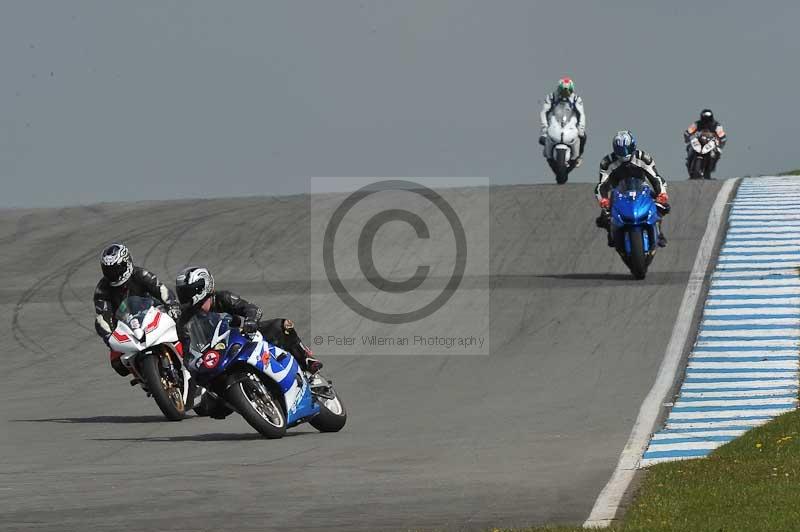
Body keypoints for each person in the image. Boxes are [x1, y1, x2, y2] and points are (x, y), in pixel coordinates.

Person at [174, 266, 322, 374]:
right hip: (216, 360)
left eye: (187, 292)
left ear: (202, 287)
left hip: (241, 340)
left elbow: (252, 309)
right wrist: (195, 364)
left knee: (282, 325)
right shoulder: (184, 322)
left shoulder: (223, 298)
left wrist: (251, 321)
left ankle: (306, 359)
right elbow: (188, 355)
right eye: (182, 293)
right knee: (208, 407)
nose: (184, 297)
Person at [93, 243, 181, 376]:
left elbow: (161, 290)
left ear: (126, 264)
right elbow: (103, 316)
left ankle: (192, 359)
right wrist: (110, 337)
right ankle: (144, 377)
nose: (113, 274)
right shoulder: (102, 290)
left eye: (116, 269)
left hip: (152, 313)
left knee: (181, 327)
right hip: (125, 325)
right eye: (108, 270)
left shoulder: (141, 274)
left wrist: (172, 306)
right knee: (117, 363)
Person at [594, 131, 670, 247]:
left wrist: (662, 194)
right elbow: (601, 185)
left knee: (662, 206)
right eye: (620, 151)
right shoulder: (607, 163)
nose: (624, 154)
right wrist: (603, 199)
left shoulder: (644, 158)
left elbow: (655, 178)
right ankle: (612, 232)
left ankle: (658, 233)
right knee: (604, 217)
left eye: (626, 149)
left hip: (642, 189)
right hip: (618, 192)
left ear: (633, 146)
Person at [539, 77, 587, 166]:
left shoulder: (576, 99)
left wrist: (581, 128)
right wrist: (544, 127)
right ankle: (548, 153)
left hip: (570, 124)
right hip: (554, 123)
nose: (565, 93)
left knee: (583, 137)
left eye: (568, 91)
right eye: (563, 90)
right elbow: (544, 112)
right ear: (559, 89)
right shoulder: (551, 97)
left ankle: (578, 156)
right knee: (543, 138)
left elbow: (581, 114)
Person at [684, 109, 727, 173]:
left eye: (707, 117)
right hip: (699, 140)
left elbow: (721, 134)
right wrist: (687, 137)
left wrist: (721, 141)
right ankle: (689, 162)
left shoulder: (716, 125)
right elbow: (689, 131)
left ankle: (711, 166)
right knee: (689, 147)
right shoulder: (697, 124)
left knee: (718, 151)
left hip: (711, 142)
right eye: (704, 117)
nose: (706, 120)